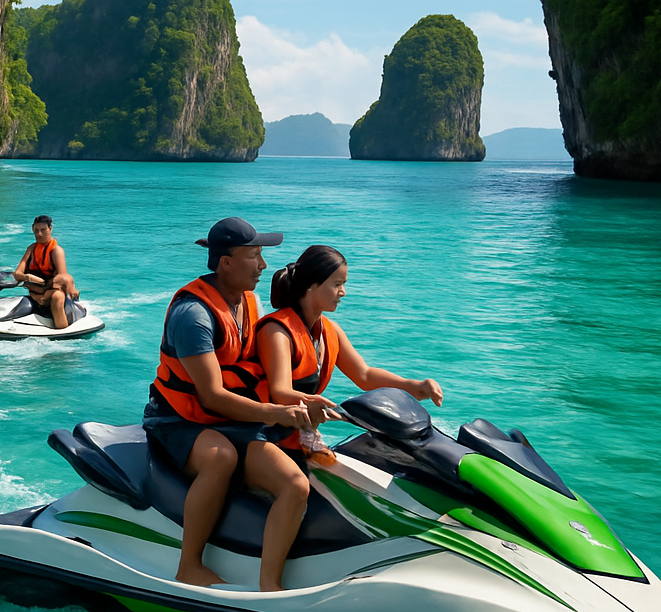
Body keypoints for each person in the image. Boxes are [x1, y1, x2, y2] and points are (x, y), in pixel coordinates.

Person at [143, 217, 326, 592]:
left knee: (295, 483)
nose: (263, 265)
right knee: (221, 457)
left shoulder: (249, 302)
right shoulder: (193, 316)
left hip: (235, 418)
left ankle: (269, 586)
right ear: (225, 262)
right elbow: (210, 395)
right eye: (254, 255)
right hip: (180, 418)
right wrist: (276, 413)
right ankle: (189, 565)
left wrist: (304, 402)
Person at [256, 244, 443, 466]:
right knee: (298, 486)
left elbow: (364, 375)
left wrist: (415, 386)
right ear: (312, 285)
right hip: (263, 434)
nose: (343, 292)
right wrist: (318, 404)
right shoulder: (278, 331)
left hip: (301, 433)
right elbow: (279, 392)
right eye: (337, 285)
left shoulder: (329, 330)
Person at [13, 215, 80, 330]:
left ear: (50, 229)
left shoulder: (56, 251)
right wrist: (28, 277)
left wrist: (44, 293)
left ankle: (62, 331)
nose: (39, 234)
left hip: (50, 293)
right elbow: (17, 273)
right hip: (35, 293)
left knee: (58, 296)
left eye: (43, 230)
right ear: (32, 229)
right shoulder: (31, 249)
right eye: (36, 230)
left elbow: (61, 280)